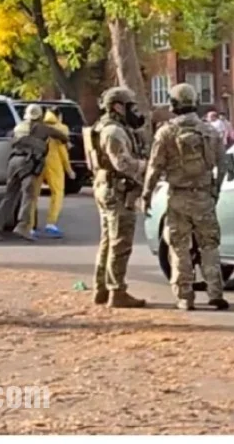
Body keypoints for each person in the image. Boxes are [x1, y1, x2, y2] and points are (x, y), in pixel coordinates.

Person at [141, 83, 229, 311]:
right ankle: (215, 292)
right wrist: (215, 190)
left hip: (177, 197)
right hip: (204, 197)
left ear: (173, 105)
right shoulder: (209, 131)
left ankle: (185, 296)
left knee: (179, 247)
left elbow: (154, 167)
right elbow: (223, 163)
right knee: (209, 246)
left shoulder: (166, 132)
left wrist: (147, 195)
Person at [85, 87, 148, 308]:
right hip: (116, 190)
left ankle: (101, 288)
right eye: (131, 106)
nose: (135, 111)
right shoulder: (113, 131)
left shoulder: (103, 127)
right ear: (118, 107)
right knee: (120, 243)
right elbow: (123, 164)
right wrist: (147, 167)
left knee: (108, 241)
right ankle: (116, 291)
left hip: (106, 187)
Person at [0, 104, 69, 241]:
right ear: (40, 116)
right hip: (28, 163)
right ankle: (23, 227)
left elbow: (11, 138)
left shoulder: (19, 127)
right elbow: (63, 136)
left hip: (13, 163)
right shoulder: (42, 128)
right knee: (29, 196)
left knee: (9, 197)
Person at [28, 108, 76, 238]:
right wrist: (69, 169)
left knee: (33, 196)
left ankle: (30, 226)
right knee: (57, 193)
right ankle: (51, 224)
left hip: (37, 162)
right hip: (54, 163)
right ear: (59, 116)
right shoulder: (62, 128)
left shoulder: (37, 126)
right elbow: (63, 151)